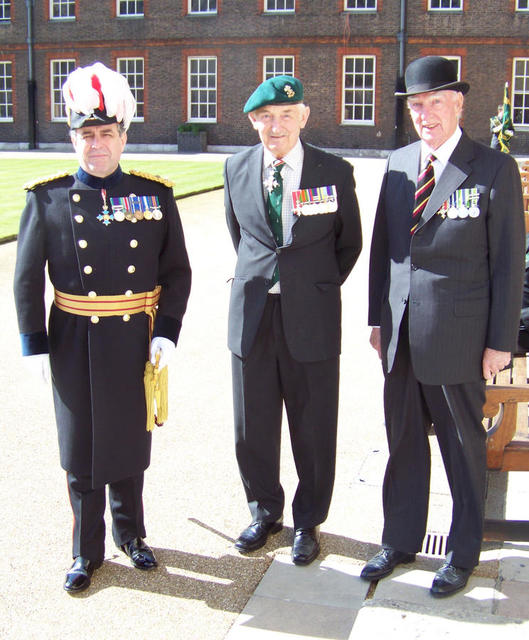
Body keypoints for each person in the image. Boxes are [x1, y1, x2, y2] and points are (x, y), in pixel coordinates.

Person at [13, 62, 191, 594]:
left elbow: (177, 270)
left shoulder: (152, 194)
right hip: (74, 341)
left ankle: (131, 535)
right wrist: (35, 347)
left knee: (130, 444)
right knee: (82, 449)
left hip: (135, 338)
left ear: (123, 136)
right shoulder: (46, 198)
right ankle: (85, 551)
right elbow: (26, 279)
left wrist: (168, 331)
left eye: (106, 133)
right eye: (86, 134)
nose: (97, 144)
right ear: (73, 138)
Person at [364, 56, 525, 597]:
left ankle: (461, 552)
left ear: (459, 104)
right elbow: (383, 251)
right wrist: (375, 319)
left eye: (436, 102)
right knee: (403, 439)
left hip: (459, 335)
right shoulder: (398, 162)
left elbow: (508, 262)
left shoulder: (492, 167)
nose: (425, 113)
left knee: (462, 448)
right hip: (401, 330)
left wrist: (500, 341)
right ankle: (400, 539)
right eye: (416, 104)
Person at [224, 75, 362, 565]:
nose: (275, 126)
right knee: (252, 425)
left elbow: (348, 245)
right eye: (264, 117)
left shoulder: (335, 171)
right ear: (253, 122)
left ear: (303, 116)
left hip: (313, 317)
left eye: (286, 115)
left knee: (314, 424)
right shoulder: (236, 168)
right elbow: (240, 236)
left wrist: (312, 287)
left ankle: (308, 521)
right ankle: (265, 512)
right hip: (253, 316)